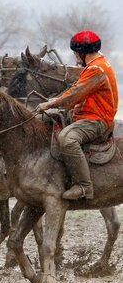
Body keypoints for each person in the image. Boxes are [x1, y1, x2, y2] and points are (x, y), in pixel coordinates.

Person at [35, 30, 118, 200]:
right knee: (41, 120)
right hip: (84, 114)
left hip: (96, 120)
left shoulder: (96, 69)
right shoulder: (97, 64)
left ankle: (84, 186)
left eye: (75, 53)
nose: (75, 56)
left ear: (82, 52)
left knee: (67, 138)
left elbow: (75, 93)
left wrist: (50, 103)